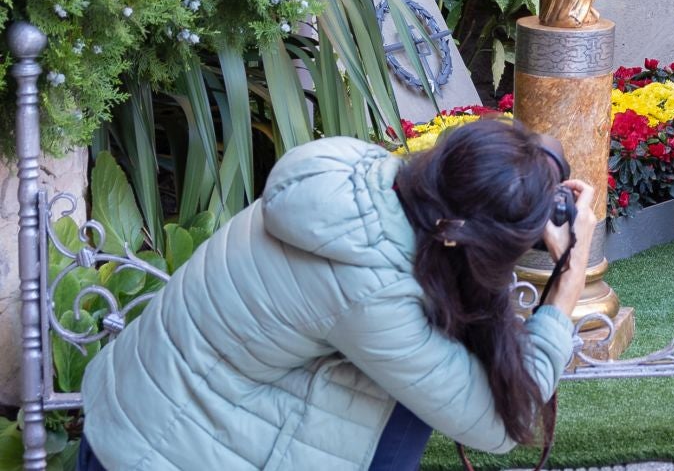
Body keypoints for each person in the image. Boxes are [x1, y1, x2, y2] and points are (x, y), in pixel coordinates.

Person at [77, 117, 596, 471]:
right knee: (414, 399)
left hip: (137, 406)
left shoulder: (361, 169)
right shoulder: (370, 292)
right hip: (153, 452)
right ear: (459, 235)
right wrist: (568, 279)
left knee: (415, 379)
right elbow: (504, 423)